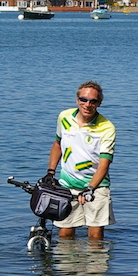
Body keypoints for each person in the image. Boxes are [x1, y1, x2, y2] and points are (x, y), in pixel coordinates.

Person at [45, 81, 116, 240]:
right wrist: (50, 172)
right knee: (65, 236)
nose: (87, 104)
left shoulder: (107, 127)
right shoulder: (64, 117)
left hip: (96, 188)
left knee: (95, 238)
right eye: (83, 99)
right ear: (77, 100)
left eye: (93, 101)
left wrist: (90, 188)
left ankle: (95, 264)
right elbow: (58, 144)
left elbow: (104, 164)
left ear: (99, 104)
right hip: (67, 186)